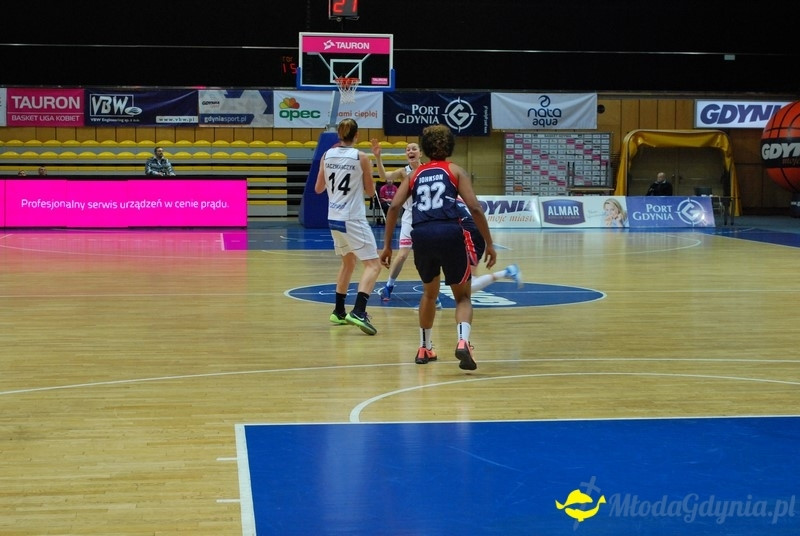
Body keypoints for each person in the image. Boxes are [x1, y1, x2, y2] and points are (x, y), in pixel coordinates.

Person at [380, 124, 497, 371]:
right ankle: (463, 342)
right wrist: (489, 243)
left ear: (423, 149)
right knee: (462, 296)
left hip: (421, 235)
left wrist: (387, 246)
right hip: (450, 232)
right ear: (450, 147)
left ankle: (425, 347)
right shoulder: (455, 170)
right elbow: (475, 208)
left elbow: (393, 208)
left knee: (429, 294)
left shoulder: (414, 175)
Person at [315, 118, 382, 336]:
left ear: (339, 135)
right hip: (352, 217)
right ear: (356, 135)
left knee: (348, 262)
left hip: (333, 216)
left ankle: (339, 311)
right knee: (373, 265)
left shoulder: (327, 155)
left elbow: (318, 188)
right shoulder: (361, 157)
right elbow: (371, 192)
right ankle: (359, 311)